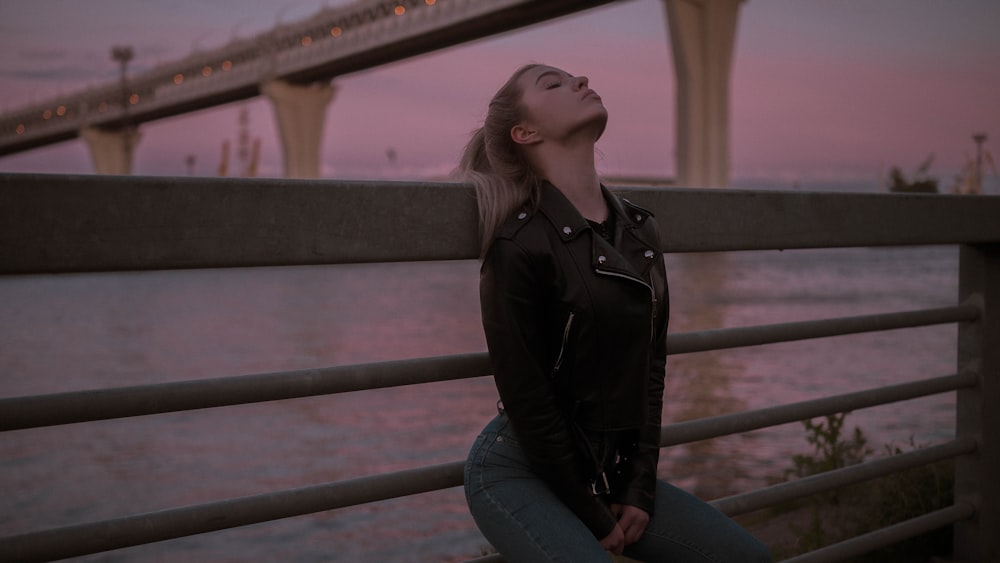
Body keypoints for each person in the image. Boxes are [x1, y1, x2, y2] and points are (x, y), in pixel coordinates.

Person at [459, 63, 772, 563]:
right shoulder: (519, 242)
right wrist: (590, 511)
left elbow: (651, 370)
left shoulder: (639, 230)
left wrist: (638, 491)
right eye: (553, 83)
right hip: (521, 470)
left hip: (609, 472)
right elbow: (527, 397)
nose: (580, 81)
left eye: (573, 77)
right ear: (526, 132)